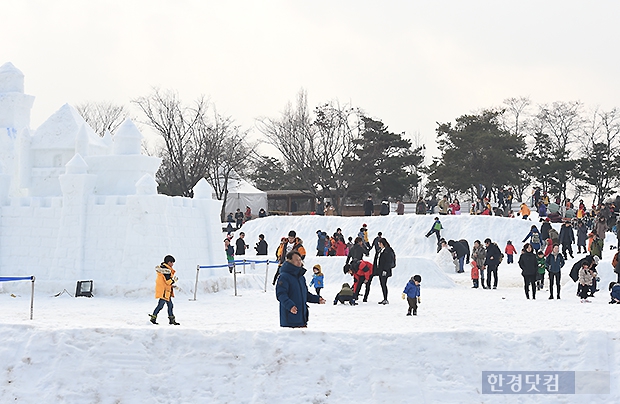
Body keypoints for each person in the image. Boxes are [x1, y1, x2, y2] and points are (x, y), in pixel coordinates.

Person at [275, 251, 325, 328]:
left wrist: (317, 299)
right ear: (290, 261)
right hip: (289, 320)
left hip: (302, 319)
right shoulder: (284, 276)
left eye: (300, 260)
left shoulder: (301, 277)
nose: (299, 262)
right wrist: (290, 306)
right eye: (296, 260)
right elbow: (281, 294)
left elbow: (305, 294)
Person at [149, 255, 180, 325]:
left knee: (169, 305)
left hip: (165, 290)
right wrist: (174, 281)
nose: (172, 264)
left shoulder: (163, 269)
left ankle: (156, 318)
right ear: (169, 262)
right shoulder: (166, 271)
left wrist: (172, 286)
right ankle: (154, 318)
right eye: (172, 262)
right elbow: (168, 281)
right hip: (164, 291)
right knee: (162, 305)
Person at [375, 238, 395, 304]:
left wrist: (385, 270)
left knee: (384, 284)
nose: (379, 245)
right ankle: (384, 298)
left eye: (379, 244)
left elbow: (388, 261)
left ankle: (385, 298)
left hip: (384, 270)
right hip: (380, 270)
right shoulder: (381, 250)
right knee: (382, 284)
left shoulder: (388, 250)